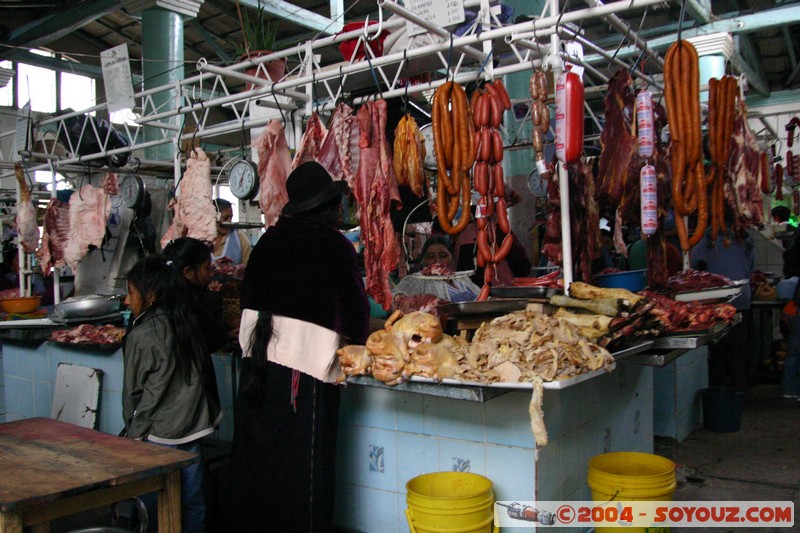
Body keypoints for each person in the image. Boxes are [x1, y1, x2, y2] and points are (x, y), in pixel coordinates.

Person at [231, 161, 370, 532]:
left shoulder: (266, 243)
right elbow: (357, 318)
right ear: (325, 208)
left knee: (260, 464)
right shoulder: (333, 246)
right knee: (303, 470)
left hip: (255, 367)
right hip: (301, 375)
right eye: (336, 203)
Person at [122, 255, 222, 533]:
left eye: (130, 293)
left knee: (151, 505)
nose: (127, 301)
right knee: (192, 502)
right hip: (193, 429)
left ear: (150, 295)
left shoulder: (141, 335)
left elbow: (133, 393)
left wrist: (132, 435)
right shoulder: (186, 322)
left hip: (158, 435)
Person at [691, 217, 755, 389]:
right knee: (738, 349)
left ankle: (718, 389)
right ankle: (739, 389)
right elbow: (750, 268)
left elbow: (694, 263)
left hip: (718, 301)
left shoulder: (707, 238)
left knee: (718, 349)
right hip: (741, 298)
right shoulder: (746, 238)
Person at [162, 237, 229, 354]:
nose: (211, 273)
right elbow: (213, 341)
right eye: (207, 268)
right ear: (188, 272)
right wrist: (212, 300)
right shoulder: (188, 307)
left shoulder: (165, 299)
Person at [394, 235, 481, 303]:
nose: (438, 261)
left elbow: (482, 299)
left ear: (452, 258)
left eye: (443, 256)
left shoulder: (463, 279)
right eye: (431, 257)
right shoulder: (415, 280)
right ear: (424, 261)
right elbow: (393, 298)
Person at [211, 198, 252, 265]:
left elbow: (251, 266)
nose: (229, 222)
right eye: (225, 218)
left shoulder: (240, 238)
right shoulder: (201, 237)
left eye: (231, 218)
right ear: (214, 217)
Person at [780, 283, 800, 399]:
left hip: (794, 338)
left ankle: (788, 390)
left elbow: (785, 320)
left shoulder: (791, 306)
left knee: (790, 364)